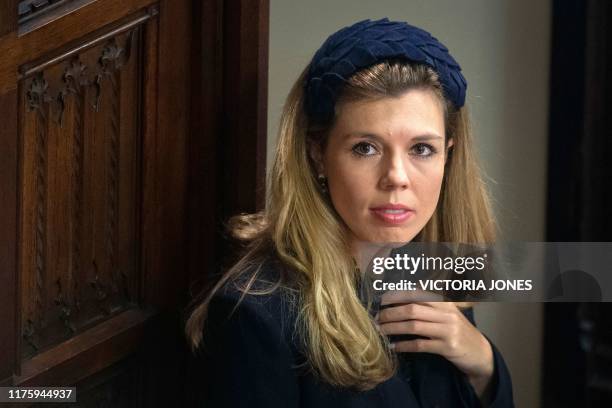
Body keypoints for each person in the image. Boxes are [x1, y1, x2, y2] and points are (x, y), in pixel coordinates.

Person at [185, 18, 514, 407]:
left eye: (422, 149)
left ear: (448, 155)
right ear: (317, 154)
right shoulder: (255, 315)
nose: (396, 177)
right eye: (365, 148)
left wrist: (484, 365)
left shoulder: (431, 265)